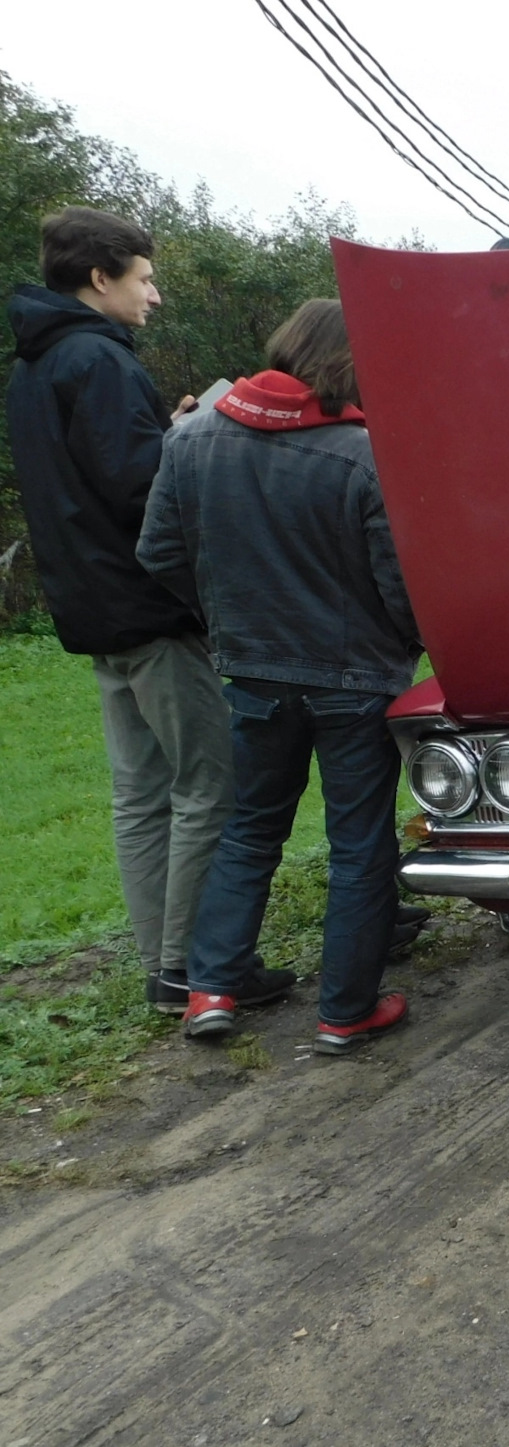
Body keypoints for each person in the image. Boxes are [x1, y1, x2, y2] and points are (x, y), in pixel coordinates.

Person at [3, 207, 280, 1015]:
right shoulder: (99, 360)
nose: (154, 296)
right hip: (150, 608)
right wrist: (189, 440)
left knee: (140, 794)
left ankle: (166, 966)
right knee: (209, 787)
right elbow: (141, 492)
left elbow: (92, 479)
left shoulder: (36, 364)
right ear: (101, 278)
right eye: (145, 279)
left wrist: (164, 431)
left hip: (92, 608)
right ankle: (197, 966)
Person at [138, 300, 422, 1054]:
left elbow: (158, 553)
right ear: (348, 364)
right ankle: (345, 1012)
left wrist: (228, 619)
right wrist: (409, 642)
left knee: (250, 830)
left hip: (254, 673)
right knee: (359, 844)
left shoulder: (190, 439)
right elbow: (398, 583)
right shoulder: (364, 453)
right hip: (357, 680)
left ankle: (210, 990)